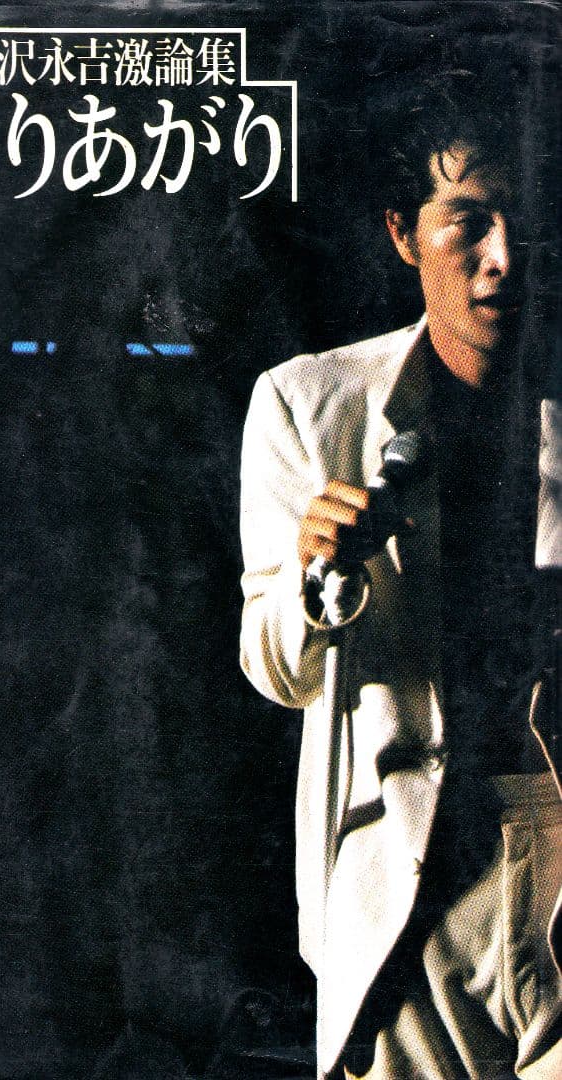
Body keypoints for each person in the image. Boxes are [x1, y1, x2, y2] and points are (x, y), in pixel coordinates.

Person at [239, 65, 560, 1079]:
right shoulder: (311, 405)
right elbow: (274, 668)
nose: (502, 257)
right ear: (403, 233)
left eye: (526, 223)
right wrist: (314, 577)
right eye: (469, 222)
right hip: (412, 871)